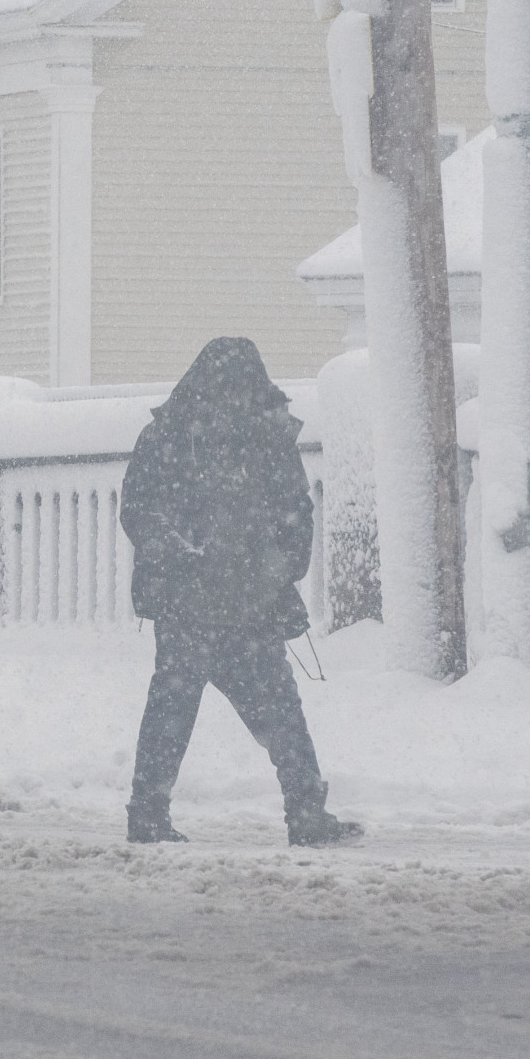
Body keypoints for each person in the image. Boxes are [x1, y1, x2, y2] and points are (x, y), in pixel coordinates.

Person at [120, 337, 362, 848]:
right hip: (238, 604)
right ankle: (304, 812)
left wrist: (184, 555)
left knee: (174, 710)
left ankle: (148, 813)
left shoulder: (171, 435)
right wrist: (275, 567)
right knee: (276, 712)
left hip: (204, 606)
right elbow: (296, 514)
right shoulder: (259, 435)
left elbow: (140, 510)